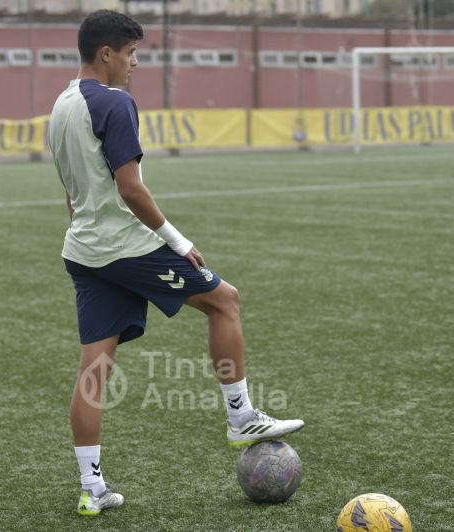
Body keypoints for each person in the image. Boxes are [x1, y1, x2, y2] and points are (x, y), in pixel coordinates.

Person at [48, 9, 304, 517]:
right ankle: (241, 417)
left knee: (93, 370)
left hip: (83, 251)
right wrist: (177, 240)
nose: (134, 63)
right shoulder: (114, 101)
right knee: (225, 302)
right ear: (107, 53)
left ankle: (91, 489)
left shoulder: (60, 104)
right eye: (131, 53)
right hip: (125, 246)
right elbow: (130, 187)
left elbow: (72, 195)